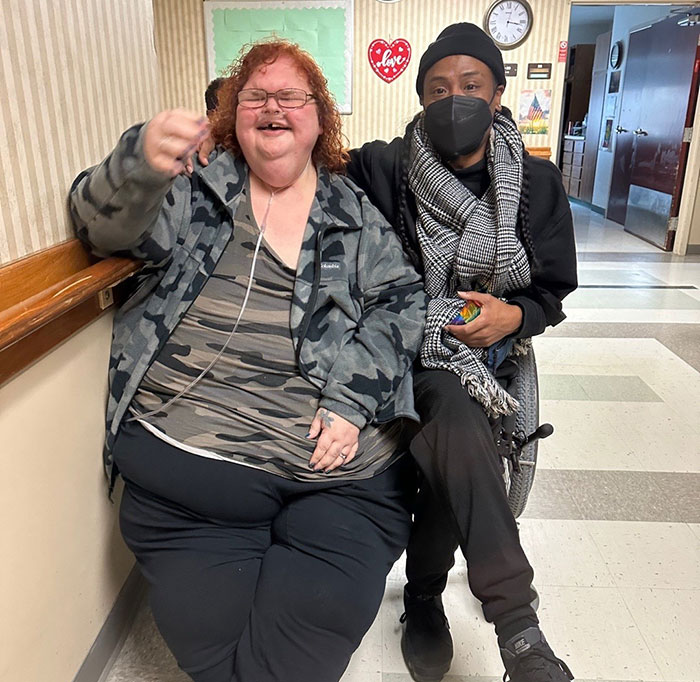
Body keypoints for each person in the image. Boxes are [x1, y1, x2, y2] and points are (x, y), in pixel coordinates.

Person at [70, 39, 427, 682]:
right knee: (216, 647)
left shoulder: (352, 212)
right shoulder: (195, 191)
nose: (273, 106)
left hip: (340, 478)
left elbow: (401, 301)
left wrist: (350, 401)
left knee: (299, 649)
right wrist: (140, 161)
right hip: (194, 471)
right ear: (232, 115)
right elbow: (104, 229)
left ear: (320, 118)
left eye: (293, 96)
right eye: (256, 95)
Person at [345, 23, 578, 682]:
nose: (455, 100)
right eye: (438, 89)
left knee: (458, 430)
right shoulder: (385, 169)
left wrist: (514, 313)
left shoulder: (536, 185)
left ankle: (426, 598)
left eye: (470, 86)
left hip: (489, 362)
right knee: (450, 407)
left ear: (498, 95)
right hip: (400, 355)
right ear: (420, 99)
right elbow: (305, 161)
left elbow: (552, 293)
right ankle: (519, 631)